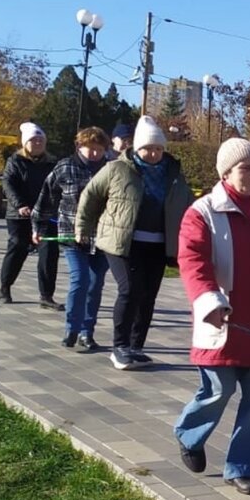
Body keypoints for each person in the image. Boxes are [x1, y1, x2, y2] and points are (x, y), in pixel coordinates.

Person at [173, 138, 250, 495]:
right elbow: (193, 261)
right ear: (226, 172)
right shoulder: (203, 212)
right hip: (223, 322)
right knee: (219, 389)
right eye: (246, 167)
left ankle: (242, 468)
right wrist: (209, 302)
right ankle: (189, 434)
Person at [76, 115, 193, 370]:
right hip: (121, 242)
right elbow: (91, 196)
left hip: (159, 244)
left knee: (149, 295)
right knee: (130, 290)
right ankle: (119, 347)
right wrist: (83, 228)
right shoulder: (117, 168)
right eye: (148, 148)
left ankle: (136, 346)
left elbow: (187, 205)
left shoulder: (174, 173)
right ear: (137, 148)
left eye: (158, 148)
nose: (153, 153)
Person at [32, 127, 110, 350]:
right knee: (80, 280)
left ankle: (88, 331)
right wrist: (38, 226)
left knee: (96, 284)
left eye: (99, 149)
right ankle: (71, 328)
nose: (95, 154)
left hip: (102, 237)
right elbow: (46, 196)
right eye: (90, 149)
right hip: (72, 234)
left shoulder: (111, 169)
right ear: (79, 147)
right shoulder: (66, 167)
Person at [0, 122, 61, 307]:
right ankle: (5, 287)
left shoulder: (53, 163)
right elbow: (8, 185)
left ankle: (46, 295)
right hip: (20, 215)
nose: (37, 143)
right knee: (18, 247)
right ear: (25, 143)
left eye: (41, 140)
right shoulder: (15, 161)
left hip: (45, 215)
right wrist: (20, 205)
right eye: (33, 140)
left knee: (49, 252)